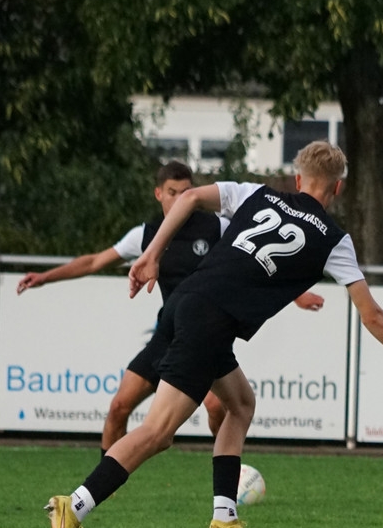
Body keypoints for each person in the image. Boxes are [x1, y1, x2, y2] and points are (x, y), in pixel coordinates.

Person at [45, 141, 383, 528]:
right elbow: (372, 314)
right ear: (338, 188)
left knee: (241, 404)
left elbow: (191, 198)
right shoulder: (334, 239)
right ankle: (74, 506)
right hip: (211, 323)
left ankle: (225, 521)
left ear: (298, 179)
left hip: (187, 302)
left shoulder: (258, 194)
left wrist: (152, 254)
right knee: (158, 433)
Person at [18, 161, 325, 450]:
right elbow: (94, 261)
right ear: (158, 194)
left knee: (217, 406)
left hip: (205, 335)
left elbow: (256, 260)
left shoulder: (216, 227)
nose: (179, 199)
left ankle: (230, 469)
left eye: (185, 192)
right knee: (119, 407)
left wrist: (297, 295)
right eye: (172, 192)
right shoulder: (146, 236)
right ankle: (105, 483)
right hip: (168, 333)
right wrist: (45, 277)